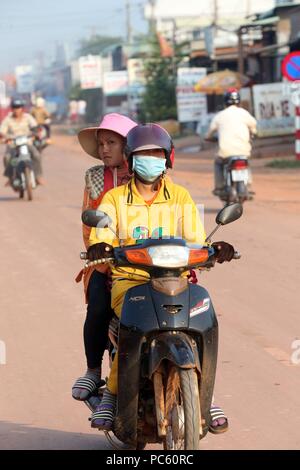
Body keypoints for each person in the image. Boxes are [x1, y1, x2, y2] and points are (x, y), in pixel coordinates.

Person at [86, 123, 234, 432]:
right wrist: (101, 244)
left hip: (176, 279)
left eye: (156, 154)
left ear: (167, 159)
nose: (150, 159)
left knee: (203, 316)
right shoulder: (113, 200)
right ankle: (112, 395)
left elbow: (196, 240)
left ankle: (205, 393)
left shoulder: (180, 197)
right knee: (132, 327)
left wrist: (214, 250)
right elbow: (102, 233)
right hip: (129, 280)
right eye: (143, 154)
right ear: (130, 159)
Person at [72, 113, 137, 401]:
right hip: (106, 262)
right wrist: (101, 255)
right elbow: (90, 225)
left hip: (147, 260)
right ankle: (92, 370)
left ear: (129, 145)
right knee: (98, 308)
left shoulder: (148, 172)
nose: (105, 149)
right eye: (102, 144)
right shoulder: (96, 178)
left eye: (112, 142)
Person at [206, 88, 257, 195]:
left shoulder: (219, 116)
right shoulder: (244, 113)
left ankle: (219, 186)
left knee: (218, 162)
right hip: (243, 151)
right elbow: (253, 126)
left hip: (225, 152)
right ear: (239, 100)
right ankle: (248, 183)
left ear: (225, 101)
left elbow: (210, 132)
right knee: (246, 162)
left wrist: (208, 137)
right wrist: (252, 133)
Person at [0, 98, 44, 185]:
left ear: (22, 108)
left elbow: (35, 127)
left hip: (27, 143)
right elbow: (2, 131)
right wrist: (3, 137)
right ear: (12, 109)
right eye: (15, 107)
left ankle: (38, 176)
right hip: (13, 144)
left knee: (36, 155)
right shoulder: (8, 119)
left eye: (19, 107)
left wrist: (37, 133)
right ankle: (10, 178)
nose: (17, 110)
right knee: (7, 158)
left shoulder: (28, 117)